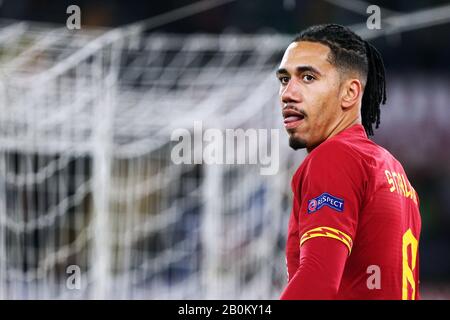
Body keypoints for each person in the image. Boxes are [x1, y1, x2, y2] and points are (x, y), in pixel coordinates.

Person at [276, 24, 421, 300]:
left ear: (350, 93)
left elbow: (318, 280)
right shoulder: (395, 171)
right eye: (284, 79)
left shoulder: (335, 157)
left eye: (307, 78)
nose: (288, 94)